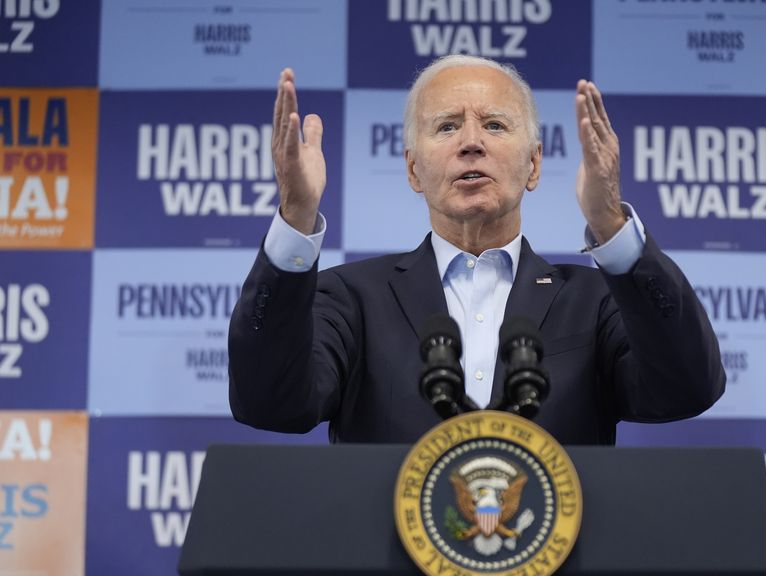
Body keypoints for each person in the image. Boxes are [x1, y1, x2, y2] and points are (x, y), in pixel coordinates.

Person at [228, 55, 724, 444]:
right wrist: (295, 218)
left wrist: (610, 225)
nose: (470, 142)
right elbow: (271, 404)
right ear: (413, 169)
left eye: (494, 125)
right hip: (391, 570)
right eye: (446, 126)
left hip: (558, 569)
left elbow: (685, 389)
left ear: (533, 166)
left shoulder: (594, 300)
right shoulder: (350, 297)